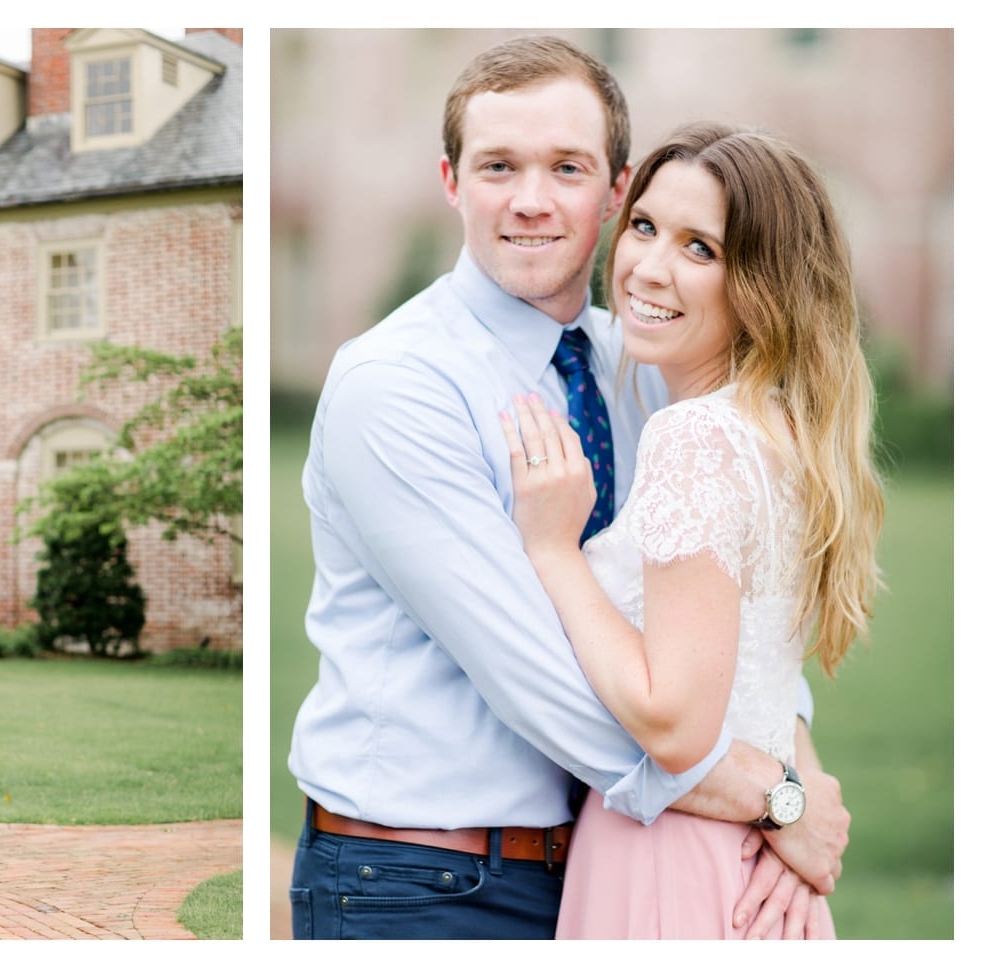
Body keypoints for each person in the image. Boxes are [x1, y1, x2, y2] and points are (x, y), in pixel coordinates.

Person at [286, 36, 849, 940]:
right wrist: (779, 801)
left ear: (617, 190)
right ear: (450, 180)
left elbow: (726, 632)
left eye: (568, 167)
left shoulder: (647, 366)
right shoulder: (396, 386)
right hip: (423, 881)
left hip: (609, 855)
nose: (532, 201)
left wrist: (802, 775)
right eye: (498, 166)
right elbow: (549, 682)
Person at [499, 122, 883, 938]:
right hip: (759, 869)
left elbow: (675, 722)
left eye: (700, 248)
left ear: (763, 287)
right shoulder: (782, 433)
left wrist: (551, 549)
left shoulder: (696, 438)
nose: (649, 267)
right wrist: (792, 798)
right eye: (644, 226)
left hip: (670, 863)